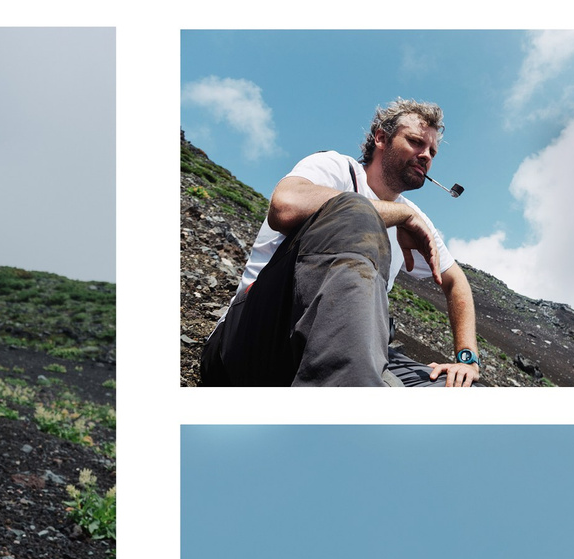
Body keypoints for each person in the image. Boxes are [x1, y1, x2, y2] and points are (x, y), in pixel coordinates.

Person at [199, 98, 482, 387]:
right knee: (356, 212)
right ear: (381, 137)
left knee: (462, 391)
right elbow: (284, 206)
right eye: (415, 142)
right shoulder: (336, 168)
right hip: (254, 338)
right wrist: (400, 215)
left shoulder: (414, 216)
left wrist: (467, 357)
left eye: (432, 151)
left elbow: (455, 280)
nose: (426, 156)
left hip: (351, 348)